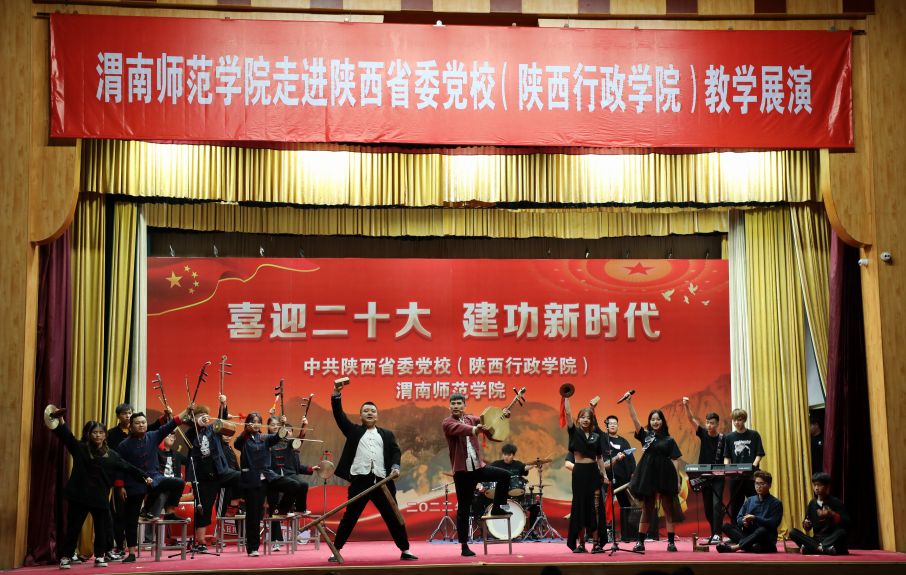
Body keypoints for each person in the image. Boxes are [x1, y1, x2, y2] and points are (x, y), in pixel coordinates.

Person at [45, 409, 151, 569]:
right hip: (79, 496)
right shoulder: (80, 449)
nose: (98, 435)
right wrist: (59, 420)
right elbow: (67, 437)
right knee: (73, 528)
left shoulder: (112, 454)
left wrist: (144, 476)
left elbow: (127, 466)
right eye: (95, 432)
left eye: (101, 432)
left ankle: (100, 556)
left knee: (102, 529)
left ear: (105, 435)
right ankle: (66, 556)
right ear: (89, 435)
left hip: (100, 497)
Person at [329, 380, 417, 562]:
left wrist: (395, 467)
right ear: (360, 415)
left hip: (382, 482)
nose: (369, 413)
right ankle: (335, 550)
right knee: (350, 517)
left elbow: (396, 452)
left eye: (373, 411)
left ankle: (405, 549)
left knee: (393, 515)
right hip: (360, 481)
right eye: (366, 411)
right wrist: (336, 395)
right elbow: (339, 416)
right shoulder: (353, 431)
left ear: (377, 416)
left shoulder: (387, 434)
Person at [442, 392, 512, 557]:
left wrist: (503, 416)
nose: (456, 406)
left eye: (459, 403)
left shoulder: (471, 419)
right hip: (462, 473)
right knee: (464, 508)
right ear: (450, 406)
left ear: (464, 405)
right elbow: (460, 429)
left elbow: (489, 423)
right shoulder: (448, 423)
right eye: (453, 404)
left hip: (478, 469)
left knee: (505, 475)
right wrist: (475, 429)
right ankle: (464, 546)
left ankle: (497, 508)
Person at [115, 409, 188, 562]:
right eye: (137, 423)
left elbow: (171, 424)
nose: (141, 425)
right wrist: (120, 486)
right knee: (131, 519)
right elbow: (119, 468)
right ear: (131, 426)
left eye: (143, 422)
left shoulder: (153, 436)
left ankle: (169, 512)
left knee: (178, 482)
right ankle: (132, 553)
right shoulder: (123, 445)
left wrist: (187, 411)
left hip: (154, 478)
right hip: (134, 483)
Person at [182, 399, 241, 552]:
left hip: (220, 471)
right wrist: (194, 420)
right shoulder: (191, 432)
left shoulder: (212, 430)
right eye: (201, 415)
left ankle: (239, 502)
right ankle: (200, 541)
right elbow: (189, 430)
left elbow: (220, 421)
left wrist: (223, 406)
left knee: (243, 476)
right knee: (204, 507)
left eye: (206, 415)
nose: (205, 417)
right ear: (194, 418)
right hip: (202, 476)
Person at [626, 396, 682, 553]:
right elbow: (635, 420)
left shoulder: (669, 440)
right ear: (649, 422)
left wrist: (677, 481)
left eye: (658, 419)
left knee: (668, 509)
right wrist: (629, 403)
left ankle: (671, 543)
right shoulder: (646, 436)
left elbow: (675, 460)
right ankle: (640, 542)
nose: (655, 422)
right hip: (648, 476)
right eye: (652, 419)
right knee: (647, 509)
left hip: (665, 476)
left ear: (662, 421)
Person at [234, 411, 284, 557]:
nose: (256, 424)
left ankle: (263, 543)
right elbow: (237, 444)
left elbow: (277, 437)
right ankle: (252, 547)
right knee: (252, 515)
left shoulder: (264, 438)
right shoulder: (244, 439)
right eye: (253, 421)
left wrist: (282, 424)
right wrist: (245, 431)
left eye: (258, 422)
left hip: (263, 480)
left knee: (260, 513)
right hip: (250, 480)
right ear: (248, 423)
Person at [563, 397, 610, 553]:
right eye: (582, 417)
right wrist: (566, 397)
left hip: (593, 472)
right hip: (579, 473)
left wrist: (604, 475)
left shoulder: (596, 436)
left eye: (588, 418)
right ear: (578, 419)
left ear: (591, 420)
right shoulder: (574, 432)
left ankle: (596, 543)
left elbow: (600, 458)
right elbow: (567, 413)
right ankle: (581, 544)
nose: (585, 420)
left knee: (595, 507)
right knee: (580, 507)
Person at [265, 414, 317, 551]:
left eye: (277, 424)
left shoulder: (288, 444)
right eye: (272, 425)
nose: (275, 426)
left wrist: (304, 426)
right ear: (267, 427)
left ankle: (298, 511)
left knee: (281, 509)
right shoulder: (266, 442)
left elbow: (299, 442)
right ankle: (276, 540)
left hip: (288, 480)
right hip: (273, 479)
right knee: (274, 510)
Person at [682, 398, 725, 544]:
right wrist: (686, 405)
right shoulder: (703, 433)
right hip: (704, 476)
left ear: (717, 424)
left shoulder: (723, 439)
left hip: (718, 477)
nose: (709, 425)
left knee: (716, 504)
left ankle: (718, 534)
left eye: (712, 423)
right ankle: (714, 533)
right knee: (707, 507)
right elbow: (691, 419)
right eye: (707, 422)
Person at [717, 470, 782, 553]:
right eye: (756, 483)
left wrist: (755, 518)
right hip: (748, 535)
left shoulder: (776, 503)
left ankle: (734, 548)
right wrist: (743, 522)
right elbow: (739, 517)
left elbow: (773, 523)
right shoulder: (750, 500)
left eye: (762, 484)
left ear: (769, 485)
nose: (758, 486)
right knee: (725, 526)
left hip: (765, 538)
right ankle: (753, 547)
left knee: (762, 530)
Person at [789, 472, 849, 555]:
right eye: (814, 485)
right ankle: (822, 548)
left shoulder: (836, 502)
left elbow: (846, 522)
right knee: (793, 532)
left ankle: (813, 548)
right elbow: (807, 527)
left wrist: (832, 514)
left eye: (819, 485)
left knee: (841, 532)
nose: (816, 488)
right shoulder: (812, 503)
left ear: (827, 486)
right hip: (816, 539)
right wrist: (806, 524)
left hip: (831, 538)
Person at [723, 409, 765, 521]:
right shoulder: (729, 437)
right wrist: (727, 469)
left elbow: (759, 454)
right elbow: (727, 457)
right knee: (736, 506)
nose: (737, 422)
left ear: (744, 420)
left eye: (739, 420)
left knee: (755, 503)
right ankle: (736, 529)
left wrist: (753, 467)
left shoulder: (754, 435)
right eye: (734, 420)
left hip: (751, 476)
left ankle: (756, 528)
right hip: (735, 478)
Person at [601, 414, 637, 543]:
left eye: (614, 423)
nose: (612, 425)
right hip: (606, 480)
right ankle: (606, 534)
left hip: (622, 481)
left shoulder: (624, 442)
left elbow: (631, 460)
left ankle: (628, 534)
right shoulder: (602, 440)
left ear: (617, 425)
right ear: (606, 425)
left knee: (626, 506)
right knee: (605, 507)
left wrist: (633, 474)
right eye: (610, 423)